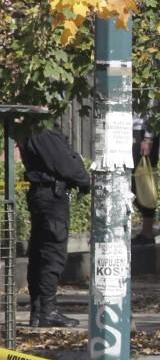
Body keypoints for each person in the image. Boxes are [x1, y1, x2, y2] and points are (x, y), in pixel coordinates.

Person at [19, 123, 91, 328]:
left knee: (40, 252)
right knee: (52, 252)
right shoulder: (42, 130)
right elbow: (65, 164)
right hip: (52, 196)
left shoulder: (30, 130)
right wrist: (84, 180)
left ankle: (40, 310)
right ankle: (47, 311)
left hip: (43, 195)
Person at [132, 114, 160, 245]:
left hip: (142, 131)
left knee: (144, 183)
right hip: (126, 129)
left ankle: (147, 232)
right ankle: (145, 231)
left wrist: (148, 138)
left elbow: (154, 108)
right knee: (130, 182)